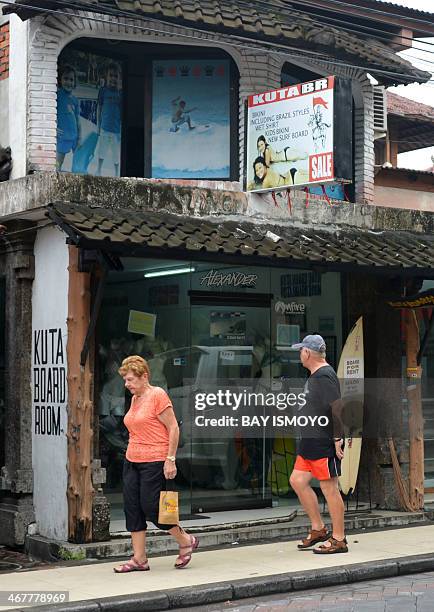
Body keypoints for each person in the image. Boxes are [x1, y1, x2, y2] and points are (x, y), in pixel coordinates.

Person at [113, 355, 199, 573]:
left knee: (152, 508)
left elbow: (173, 428)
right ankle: (139, 559)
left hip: (155, 460)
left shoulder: (157, 395)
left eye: (131, 380)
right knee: (132, 509)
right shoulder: (135, 399)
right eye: (125, 380)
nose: (127, 384)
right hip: (132, 460)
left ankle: (185, 540)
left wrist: (170, 460)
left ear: (144, 377)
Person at [289, 334, 348, 554]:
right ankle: (319, 529)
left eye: (300, 350)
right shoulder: (316, 375)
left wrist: (337, 438)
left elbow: (337, 407)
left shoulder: (324, 375)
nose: (299, 354)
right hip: (310, 440)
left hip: (324, 440)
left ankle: (339, 539)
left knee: (329, 487)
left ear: (307, 353)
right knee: (297, 480)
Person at [96, 62, 122, 177]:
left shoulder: (120, 93)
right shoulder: (103, 91)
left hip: (116, 130)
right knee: (102, 151)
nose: (113, 78)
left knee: (116, 154)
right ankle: (99, 169)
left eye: (116, 76)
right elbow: (99, 108)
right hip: (104, 128)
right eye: (111, 75)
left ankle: (117, 172)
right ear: (106, 76)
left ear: (119, 78)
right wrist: (98, 125)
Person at [57, 64, 81, 171]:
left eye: (71, 79)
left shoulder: (75, 99)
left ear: (75, 82)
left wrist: (79, 137)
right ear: (60, 79)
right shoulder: (57, 95)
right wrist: (53, 128)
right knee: (58, 163)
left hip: (74, 137)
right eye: (65, 78)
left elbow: (78, 120)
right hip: (62, 137)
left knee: (77, 161)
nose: (68, 82)